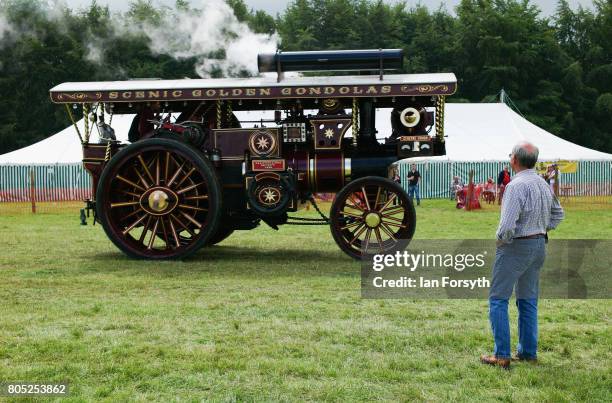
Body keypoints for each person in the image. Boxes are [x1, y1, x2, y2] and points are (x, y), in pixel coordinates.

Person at [480, 142, 564, 369]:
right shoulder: (543, 184)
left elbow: (507, 225)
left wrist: (501, 240)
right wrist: (542, 228)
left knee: (498, 299)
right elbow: (559, 214)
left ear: (514, 160)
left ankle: (502, 355)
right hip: (538, 244)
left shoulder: (515, 186)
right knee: (527, 300)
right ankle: (527, 352)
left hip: (516, 245)